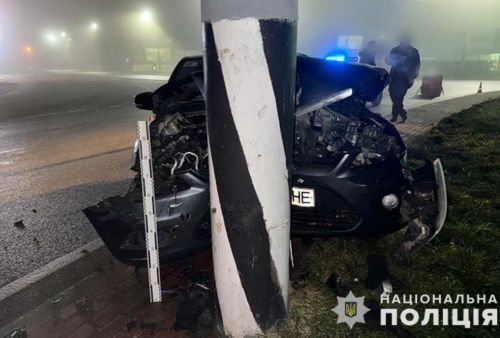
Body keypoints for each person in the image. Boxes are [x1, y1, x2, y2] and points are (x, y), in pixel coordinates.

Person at [385, 36, 421, 123]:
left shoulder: (413, 52)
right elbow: (387, 61)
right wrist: (393, 59)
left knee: (399, 96)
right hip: (394, 76)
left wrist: (412, 75)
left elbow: (417, 65)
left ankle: (395, 115)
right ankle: (401, 112)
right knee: (393, 95)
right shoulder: (395, 50)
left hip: (405, 78)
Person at [359, 41, 382, 106]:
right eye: (371, 45)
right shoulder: (366, 50)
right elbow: (360, 54)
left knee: (371, 84)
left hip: (371, 68)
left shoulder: (373, 51)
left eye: (373, 45)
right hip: (363, 68)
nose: (372, 47)